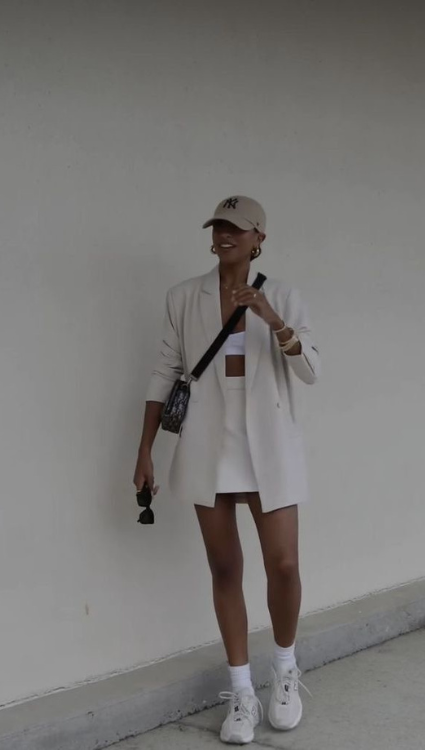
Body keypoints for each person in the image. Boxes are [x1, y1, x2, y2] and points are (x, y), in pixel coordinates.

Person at [133, 196, 320, 745]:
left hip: (270, 447)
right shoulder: (183, 297)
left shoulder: (283, 295)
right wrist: (145, 450)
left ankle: (284, 672)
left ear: (259, 237)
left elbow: (310, 370)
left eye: (236, 227)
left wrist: (272, 319)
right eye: (218, 226)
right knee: (224, 568)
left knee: (284, 565)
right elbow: (164, 372)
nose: (224, 235)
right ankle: (241, 692)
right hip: (207, 445)